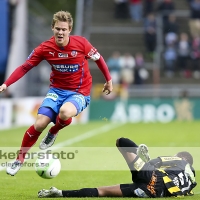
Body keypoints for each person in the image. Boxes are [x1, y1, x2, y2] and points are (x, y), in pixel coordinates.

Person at [0, 10, 113, 176]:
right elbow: (25, 67)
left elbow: (99, 59)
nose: (60, 32)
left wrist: (108, 80)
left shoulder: (81, 44)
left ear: (69, 30)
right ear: (53, 28)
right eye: (58, 29)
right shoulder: (45, 48)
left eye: (64, 29)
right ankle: (19, 159)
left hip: (79, 92)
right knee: (39, 123)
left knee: (65, 112)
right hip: (56, 91)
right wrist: (6, 83)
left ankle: (53, 132)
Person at [38, 137, 197, 198]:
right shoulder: (191, 183)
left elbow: (159, 161)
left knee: (121, 142)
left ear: (183, 158)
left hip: (151, 177)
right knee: (104, 191)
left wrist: (147, 159)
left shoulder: (182, 161)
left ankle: (59, 193)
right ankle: (59, 193)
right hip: (155, 192)